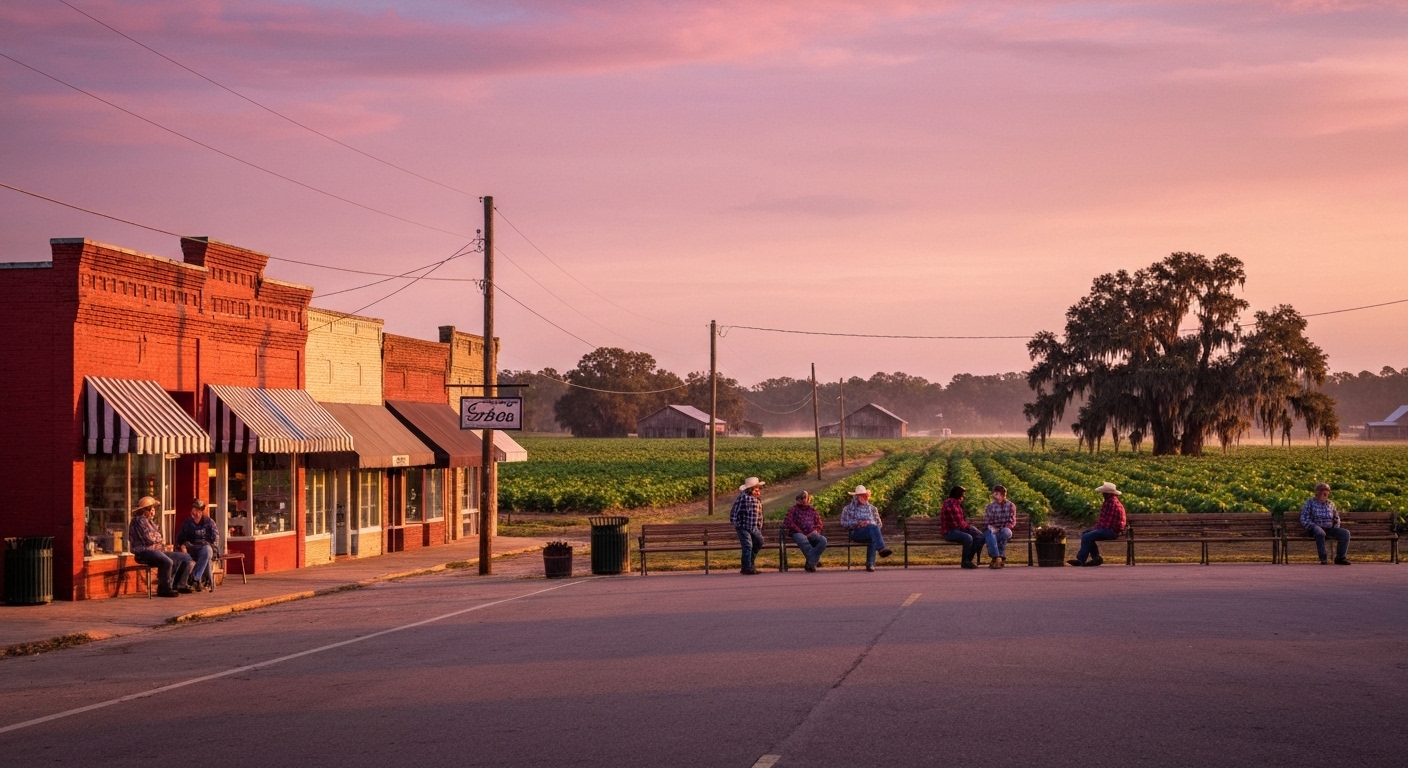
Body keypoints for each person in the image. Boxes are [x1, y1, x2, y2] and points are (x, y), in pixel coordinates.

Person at [128, 496, 194, 597]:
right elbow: (150, 538)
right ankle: (164, 588)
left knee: (186, 557)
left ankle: (178, 584)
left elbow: (157, 537)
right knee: (167, 561)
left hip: (158, 551)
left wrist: (158, 538)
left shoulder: (149, 521)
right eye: (152, 510)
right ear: (146, 510)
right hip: (144, 553)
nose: (153, 512)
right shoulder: (139, 521)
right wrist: (159, 539)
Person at [1069, 482, 1126, 567]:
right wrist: (1095, 529)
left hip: (1111, 531)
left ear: (1107, 493)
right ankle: (1096, 558)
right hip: (1108, 529)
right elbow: (1103, 521)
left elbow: (1107, 522)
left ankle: (1081, 560)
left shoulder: (1112, 503)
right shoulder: (1110, 501)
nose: (1102, 494)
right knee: (1086, 534)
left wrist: (1096, 530)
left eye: (1103, 492)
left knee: (1086, 536)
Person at [840, 485, 892, 572]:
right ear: (855, 497)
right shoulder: (848, 509)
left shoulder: (872, 508)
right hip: (856, 533)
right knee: (873, 531)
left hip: (870, 532)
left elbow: (879, 524)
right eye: (860, 496)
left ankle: (870, 565)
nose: (863, 497)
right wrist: (858, 524)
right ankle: (881, 549)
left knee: (873, 533)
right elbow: (843, 523)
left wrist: (869, 524)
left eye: (864, 495)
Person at [1300, 482, 1351, 565]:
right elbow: (1304, 518)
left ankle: (1340, 558)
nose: (1325, 493)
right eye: (1322, 490)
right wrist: (1315, 527)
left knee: (1345, 533)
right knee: (1320, 533)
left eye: (1327, 490)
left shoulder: (1330, 504)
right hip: (1315, 528)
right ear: (1317, 492)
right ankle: (1323, 559)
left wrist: (1335, 527)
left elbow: (1336, 518)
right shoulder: (1310, 503)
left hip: (1329, 528)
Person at [177, 498, 220, 590]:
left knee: (207, 551)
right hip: (191, 548)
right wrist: (183, 547)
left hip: (205, 548)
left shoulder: (209, 522)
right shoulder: (188, 523)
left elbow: (215, 539)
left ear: (201, 512)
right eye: (193, 510)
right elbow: (181, 539)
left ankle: (195, 577)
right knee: (205, 557)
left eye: (197, 511)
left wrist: (211, 547)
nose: (194, 513)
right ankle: (201, 582)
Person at [939, 486, 984, 569]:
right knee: (968, 537)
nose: (964, 497)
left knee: (979, 537)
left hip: (956, 529)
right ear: (959, 495)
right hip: (950, 532)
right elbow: (957, 524)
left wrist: (972, 529)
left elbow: (961, 523)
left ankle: (967, 561)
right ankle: (965, 561)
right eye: (963, 495)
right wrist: (971, 529)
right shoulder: (951, 504)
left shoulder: (955, 503)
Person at [784, 490, 827, 572]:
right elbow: (788, 522)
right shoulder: (793, 510)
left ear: (808, 499)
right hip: (798, 533)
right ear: (797, 500)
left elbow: (819, 523)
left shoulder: (812, 510)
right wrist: (800, 531)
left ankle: (810, 562)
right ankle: (814, 561)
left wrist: (816, 530)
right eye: (801, 498)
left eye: (804, 498)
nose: (802, 500)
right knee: (802, 538)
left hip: (811, 533)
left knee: (822, 540)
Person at [730, 477, 766, 575]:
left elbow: (759, 515)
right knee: (748, 545)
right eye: (756, 489)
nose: (758, 491)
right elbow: (735, 511)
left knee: (759, 541)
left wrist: (759, 526)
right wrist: (736, 522)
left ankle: (750, 563)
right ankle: (746, 567)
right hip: (743, 526)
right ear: (751, 489)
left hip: (754, 526)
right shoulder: (744, 498)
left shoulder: (757, 500)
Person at [983, 485, 1017, 569]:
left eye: (996, 493)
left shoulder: (1011, 505)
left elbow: (1012, 521)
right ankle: (998, 557)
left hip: (1004, 529)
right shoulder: (990, 506)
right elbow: (987, 521)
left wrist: (999, 529)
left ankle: (996, 558)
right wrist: (991, 527)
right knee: (990, 534)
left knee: (1005, 532)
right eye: (994, 492)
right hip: (993, 530)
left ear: (1002, 494)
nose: (993, 494)